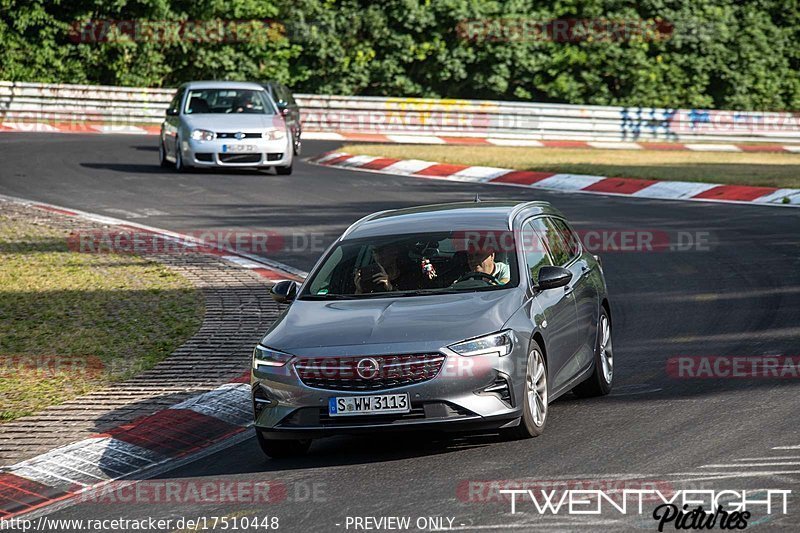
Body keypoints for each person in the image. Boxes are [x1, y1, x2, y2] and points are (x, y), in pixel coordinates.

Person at [354, 243, 429, 293]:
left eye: (382, 251)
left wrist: (390, 288)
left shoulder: (411, 274)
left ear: (394, 252)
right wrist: (359, 290)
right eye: (374, 252)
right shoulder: (370, 277)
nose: (378, 256)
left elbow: (414, 301)